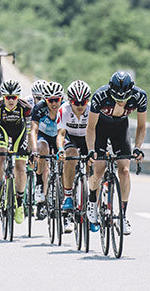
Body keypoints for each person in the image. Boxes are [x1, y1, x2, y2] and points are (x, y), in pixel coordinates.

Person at [85, 71, 147, 235]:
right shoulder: (100, 96)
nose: (121, 102)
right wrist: (91, 150)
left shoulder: (139, 97)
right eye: (117, 99)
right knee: (98, 170)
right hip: (100, 128)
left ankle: (123, 215)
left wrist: (138, 147)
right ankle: (92, 200)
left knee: (125, 171)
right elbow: (90, 128)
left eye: (124, 99)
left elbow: (141, 126)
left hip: (120, 129)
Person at [0, 79, 32, 224]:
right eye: (8, 97)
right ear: (3, 97)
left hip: (20, 132)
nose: (11, 100)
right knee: (0, 155)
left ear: (18, 97)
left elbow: (30, 132)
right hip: (2, 130)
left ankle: (19, 203)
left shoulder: (25, 107)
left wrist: (32, 151)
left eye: (14, 97)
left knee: (20, 167)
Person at [56, 80, 93, 233]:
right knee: (71, 155)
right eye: (75, 102)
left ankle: (93, 203)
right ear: (69, 101)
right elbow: (61, 134)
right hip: (71, 138)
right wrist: (60, 149)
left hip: (87, 139)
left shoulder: (92, 110)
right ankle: (68, 196)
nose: (79, 105)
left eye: (83, 101)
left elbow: (99, 133)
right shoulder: (63, 110)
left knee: (94, 163)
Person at [30, 81, 64, 220]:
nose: (53, 104)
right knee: (42, 148)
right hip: (44, 136)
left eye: (56, 100)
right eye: (50, 100)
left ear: (61, 99)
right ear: (45, 100)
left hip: (59, 136)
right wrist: (34, 150)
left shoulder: (66, 108)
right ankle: (39, 183)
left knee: (66, 159)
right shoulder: (39, 108)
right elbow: (33, 130)